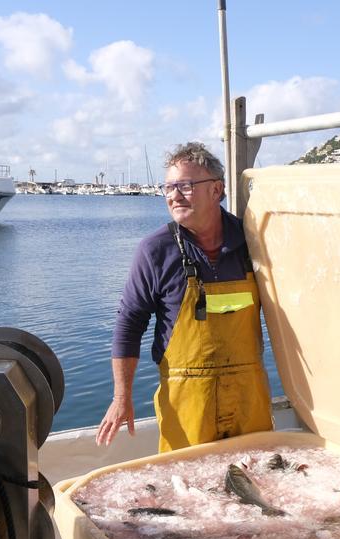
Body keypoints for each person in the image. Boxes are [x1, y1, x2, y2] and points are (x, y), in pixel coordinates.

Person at [96, 142, 272, 453]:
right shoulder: (154, 251)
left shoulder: (255, 242)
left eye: (186, 186)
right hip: (186, 404)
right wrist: (122, 397)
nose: (174, 195)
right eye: (168, 187)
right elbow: (129, 325)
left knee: (254, 482)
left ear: (216, 190)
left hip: (250, 400)